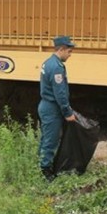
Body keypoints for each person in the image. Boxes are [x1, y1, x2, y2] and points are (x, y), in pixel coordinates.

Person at [38, 36, 77, 181]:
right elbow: (60, 94)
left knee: (46, 138)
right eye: (69, 51)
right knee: (51, 140)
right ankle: (45, 172)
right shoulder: (56, 68)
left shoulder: (49, 62)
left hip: (46, 105)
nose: (70, 54)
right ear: (61, 49)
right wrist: (67, 112)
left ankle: (41, 164)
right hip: (52, 108)